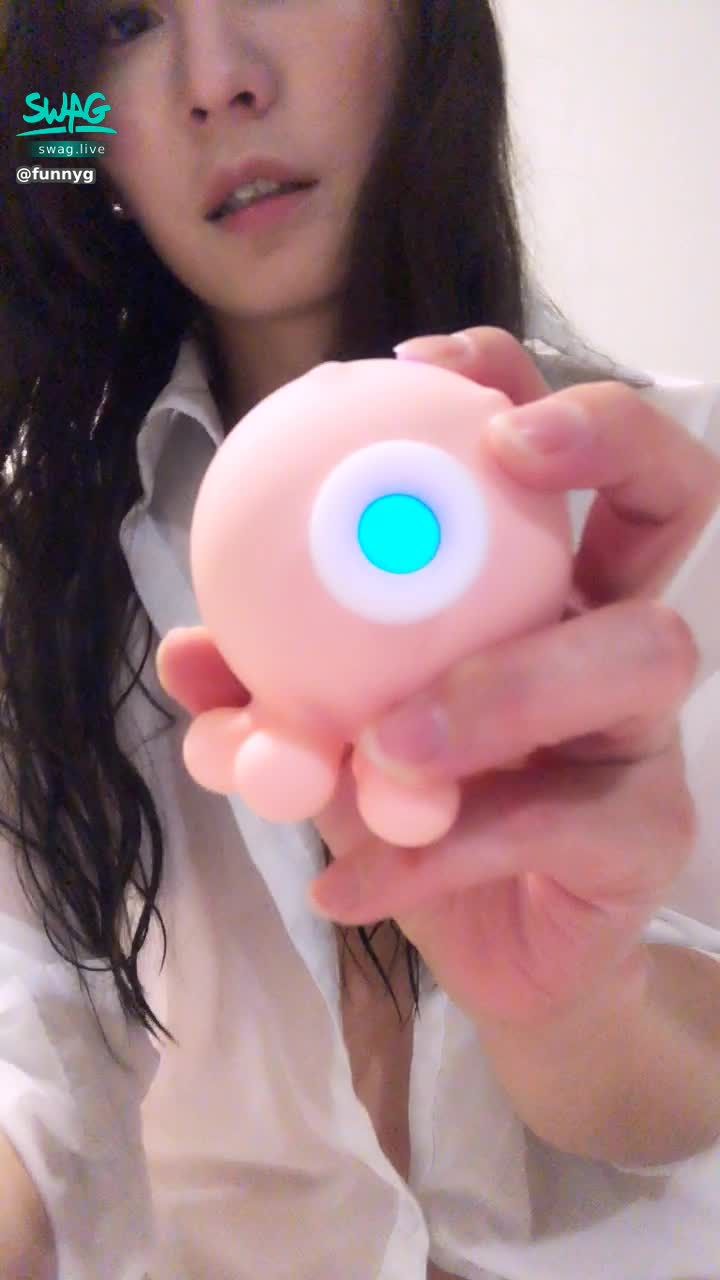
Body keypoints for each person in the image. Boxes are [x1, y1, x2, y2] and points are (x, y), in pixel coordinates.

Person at [1, 2, 719, 1278]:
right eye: (124, 19)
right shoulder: (42, 572)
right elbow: (35, 1054)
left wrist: (577, 1005)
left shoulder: (675, 493)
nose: (215, 81)